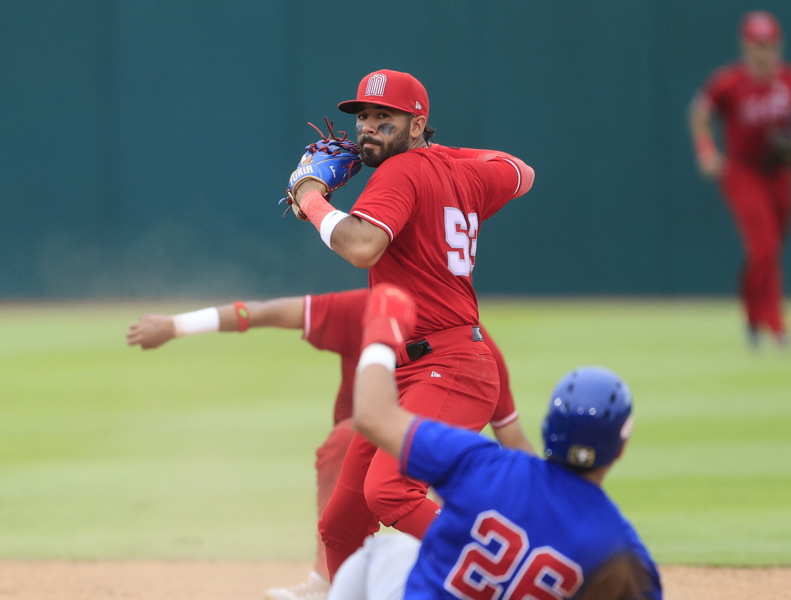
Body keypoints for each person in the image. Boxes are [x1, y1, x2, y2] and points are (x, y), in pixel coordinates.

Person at [283, 69, 536, 577]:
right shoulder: (461, 172)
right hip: (419, 372)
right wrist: (444, 153)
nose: (368, 129)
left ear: (418, 124)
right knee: (342, 524)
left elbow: (360, 246)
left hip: (449, 366)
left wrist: (309, 193)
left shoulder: (398, 175)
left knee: (390, 492)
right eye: (364, 118)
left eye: (385, 118)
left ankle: (518, 572)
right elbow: (521, 171)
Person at [126, 289, 535, 600]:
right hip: (365, 452)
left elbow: (511, 438)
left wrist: (554, 511)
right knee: (346, 472)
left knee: (391, 482)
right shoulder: (368, 307)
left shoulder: (467, 348)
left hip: (429, 475)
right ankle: (327, 582)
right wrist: (178, 326)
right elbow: (264, 313)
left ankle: (497, 565)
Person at [324, 284, 661, 600]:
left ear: (547, 429)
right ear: (619, 450)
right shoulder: (623, 551)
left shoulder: (485, 466)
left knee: (382, 554)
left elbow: (372, 415)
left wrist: (381, 336)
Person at [688, 11, 791, 347]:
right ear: (745, 46)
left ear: (778, 45)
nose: (762, 53)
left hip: (779, 173)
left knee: (768, 250)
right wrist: (707, 151)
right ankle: (776, 325)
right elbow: (700, 111)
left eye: (768, 45)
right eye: (756, 45)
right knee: (764, 247)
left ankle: (752, 318)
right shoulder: (730, 82)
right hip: (742, 171)